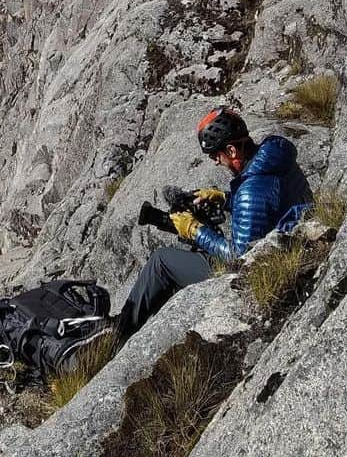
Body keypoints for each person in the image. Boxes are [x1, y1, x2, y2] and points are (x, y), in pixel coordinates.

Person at [117, 106, 312, 338]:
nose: (216, 162)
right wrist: (226, 199)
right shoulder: (274, 158)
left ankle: (119, 334)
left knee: (161, 262)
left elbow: (238, 256)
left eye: (215, 156)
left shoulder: (251, 190)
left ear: (231, 150)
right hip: (293, 244)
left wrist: (194, 230)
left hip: (262, 271)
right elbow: (271, 203)